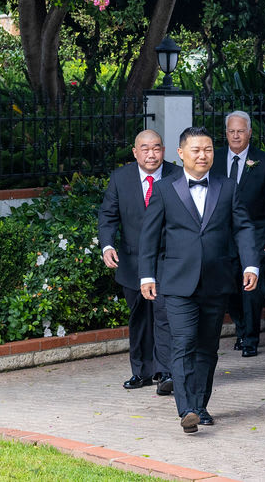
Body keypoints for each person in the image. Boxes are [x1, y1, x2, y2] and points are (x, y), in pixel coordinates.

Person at [138, 127, 260, 434]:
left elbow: (243, 228)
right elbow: (149, 235)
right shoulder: (164, 189)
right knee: (183, 343)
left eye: (208, 149)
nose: (202, 155)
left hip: (216, 282)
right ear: (181, 154)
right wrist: (147, 274)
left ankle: (200, 406)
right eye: (196, 150)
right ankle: (186, 409)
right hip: (177, 283)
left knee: (207, 348)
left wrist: (251, 265)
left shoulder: (227, 186)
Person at [98, 129, 177, 393]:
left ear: (163, 150)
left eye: (156, 148)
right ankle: (141, 372)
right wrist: (108, 245)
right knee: (140, 317)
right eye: (145, 148)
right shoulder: (120, 178)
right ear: (135, 152)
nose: (151, 154)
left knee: (165, 314)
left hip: (167, 259)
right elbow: (108, 216)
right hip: (132, 262)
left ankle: (165, 372)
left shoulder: (177, 176)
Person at [209, 111, 265, 358]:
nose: (236, 135)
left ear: (249, 132)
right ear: (226, 133)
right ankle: (241, 330)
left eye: (240, 131)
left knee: (252, 288)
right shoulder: (215, 158)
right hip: (222, 235)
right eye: (231, 131)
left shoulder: (264, 160)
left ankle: (250, 339)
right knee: (228, 287)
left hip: (255, 234)